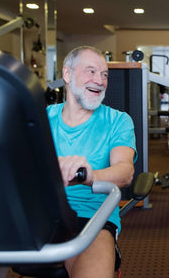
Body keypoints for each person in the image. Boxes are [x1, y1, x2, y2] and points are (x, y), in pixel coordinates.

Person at [47, 46, 136, 278]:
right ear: (67, 74)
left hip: (93, 219)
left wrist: (89, 175)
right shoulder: (43, 118)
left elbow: (125, 171)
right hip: (43, 215)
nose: (99, 80)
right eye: (91, 71)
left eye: (104, 74)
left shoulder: (118, 121)